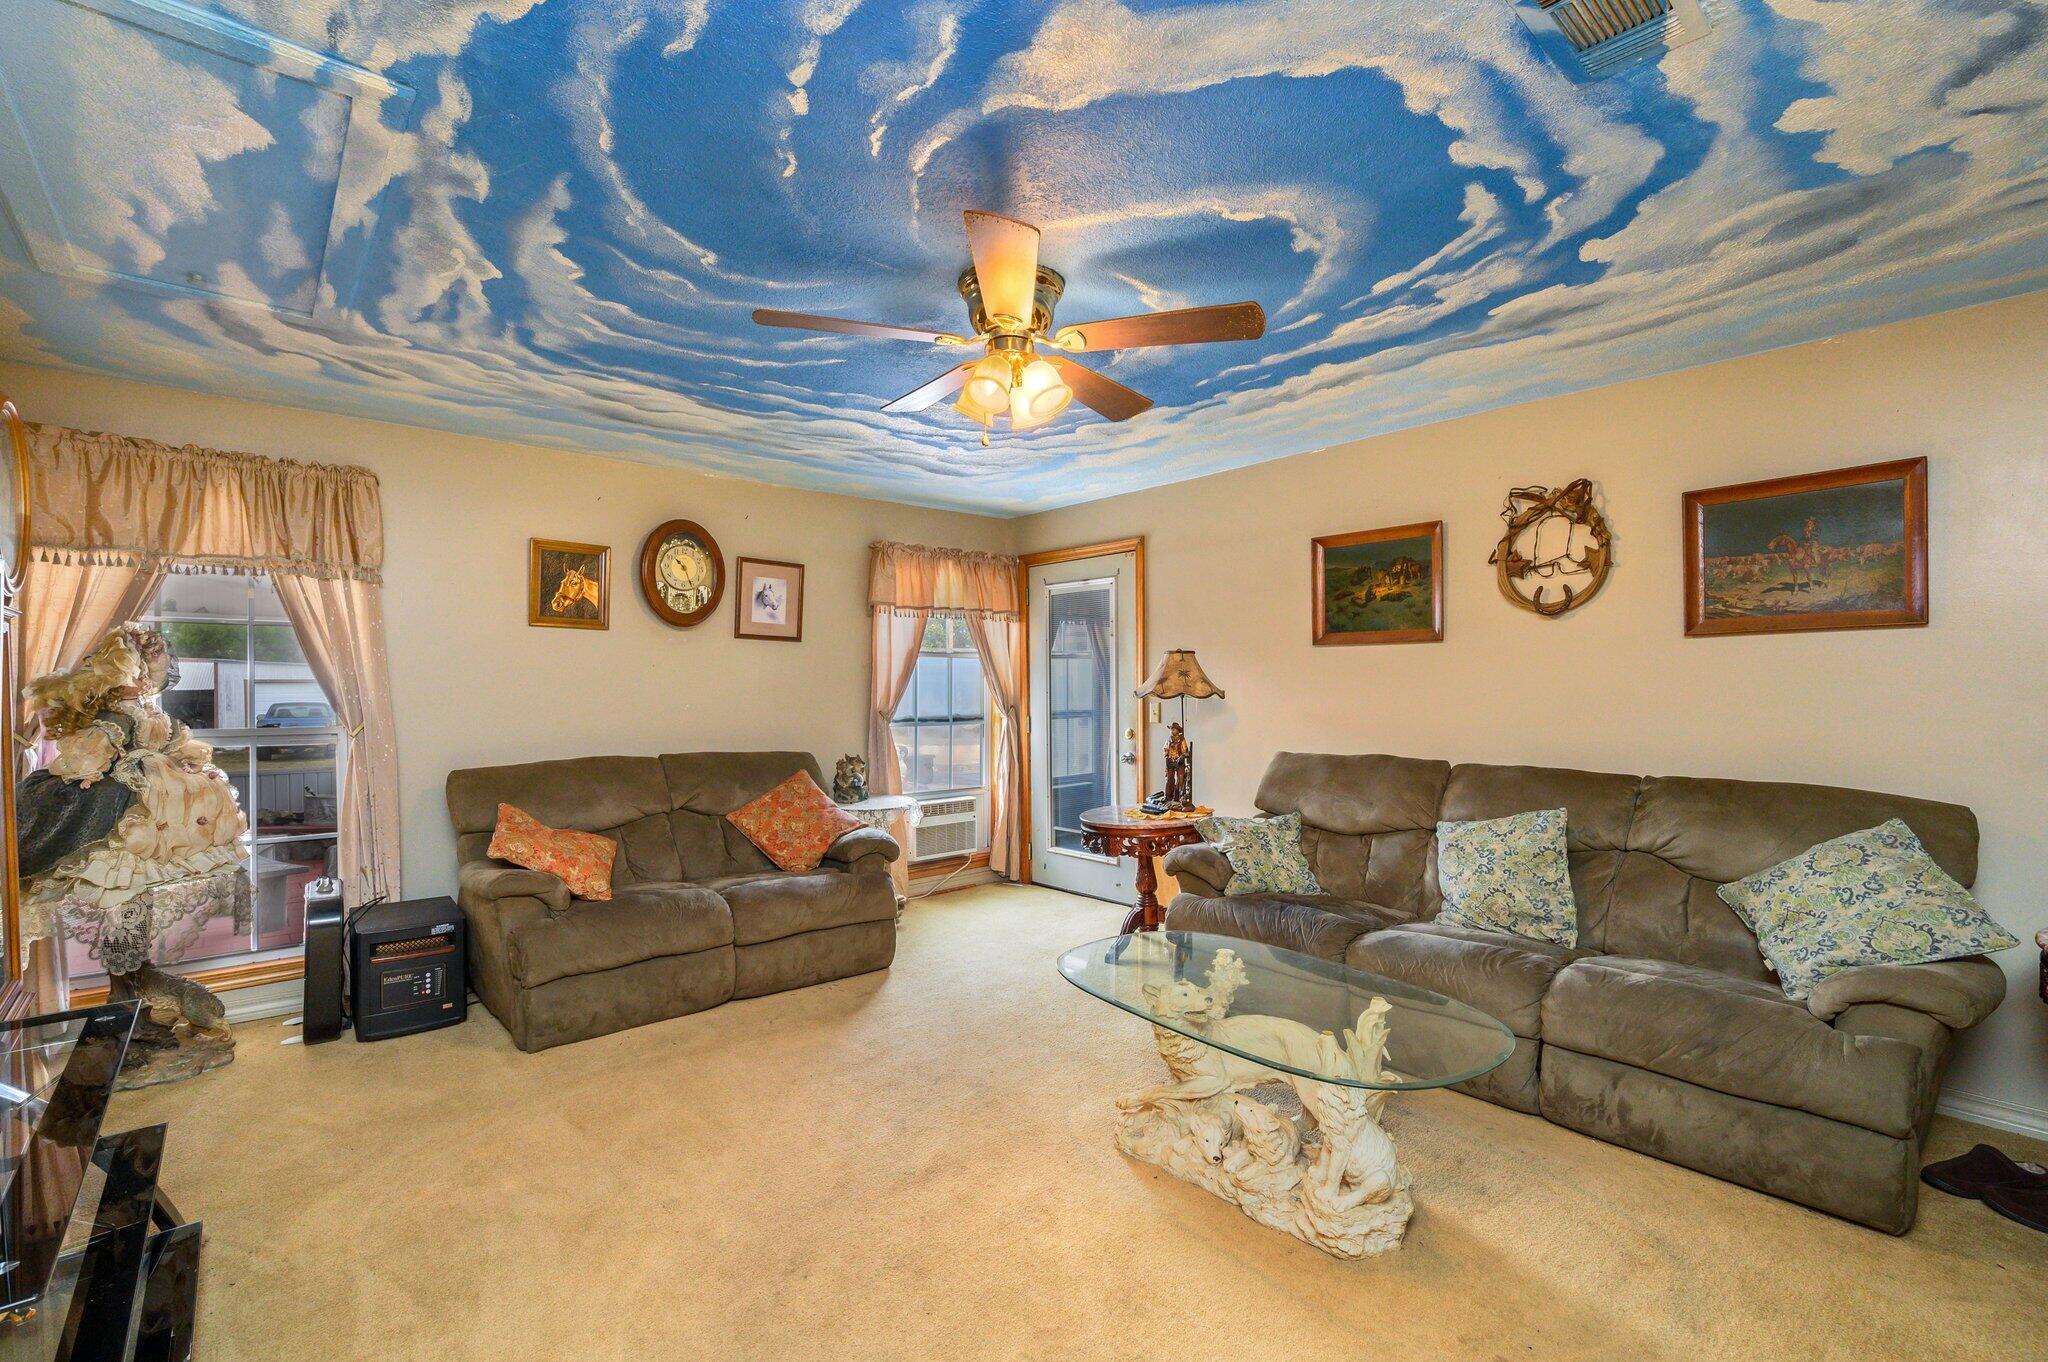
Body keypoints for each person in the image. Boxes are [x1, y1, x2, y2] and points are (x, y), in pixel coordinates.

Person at [17, 625, 249, 1084]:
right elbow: (86, 759)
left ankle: (135, 1003)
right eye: (133, 671)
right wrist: (85, 769)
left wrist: (189, 763)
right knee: (120, 888)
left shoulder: (143, 710)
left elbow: (170, 742)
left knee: (132, 896)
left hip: (159, 809)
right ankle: (127, 1012)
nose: (141, 680)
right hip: (121, 810)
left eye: (143, 671)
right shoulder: (116, 716)